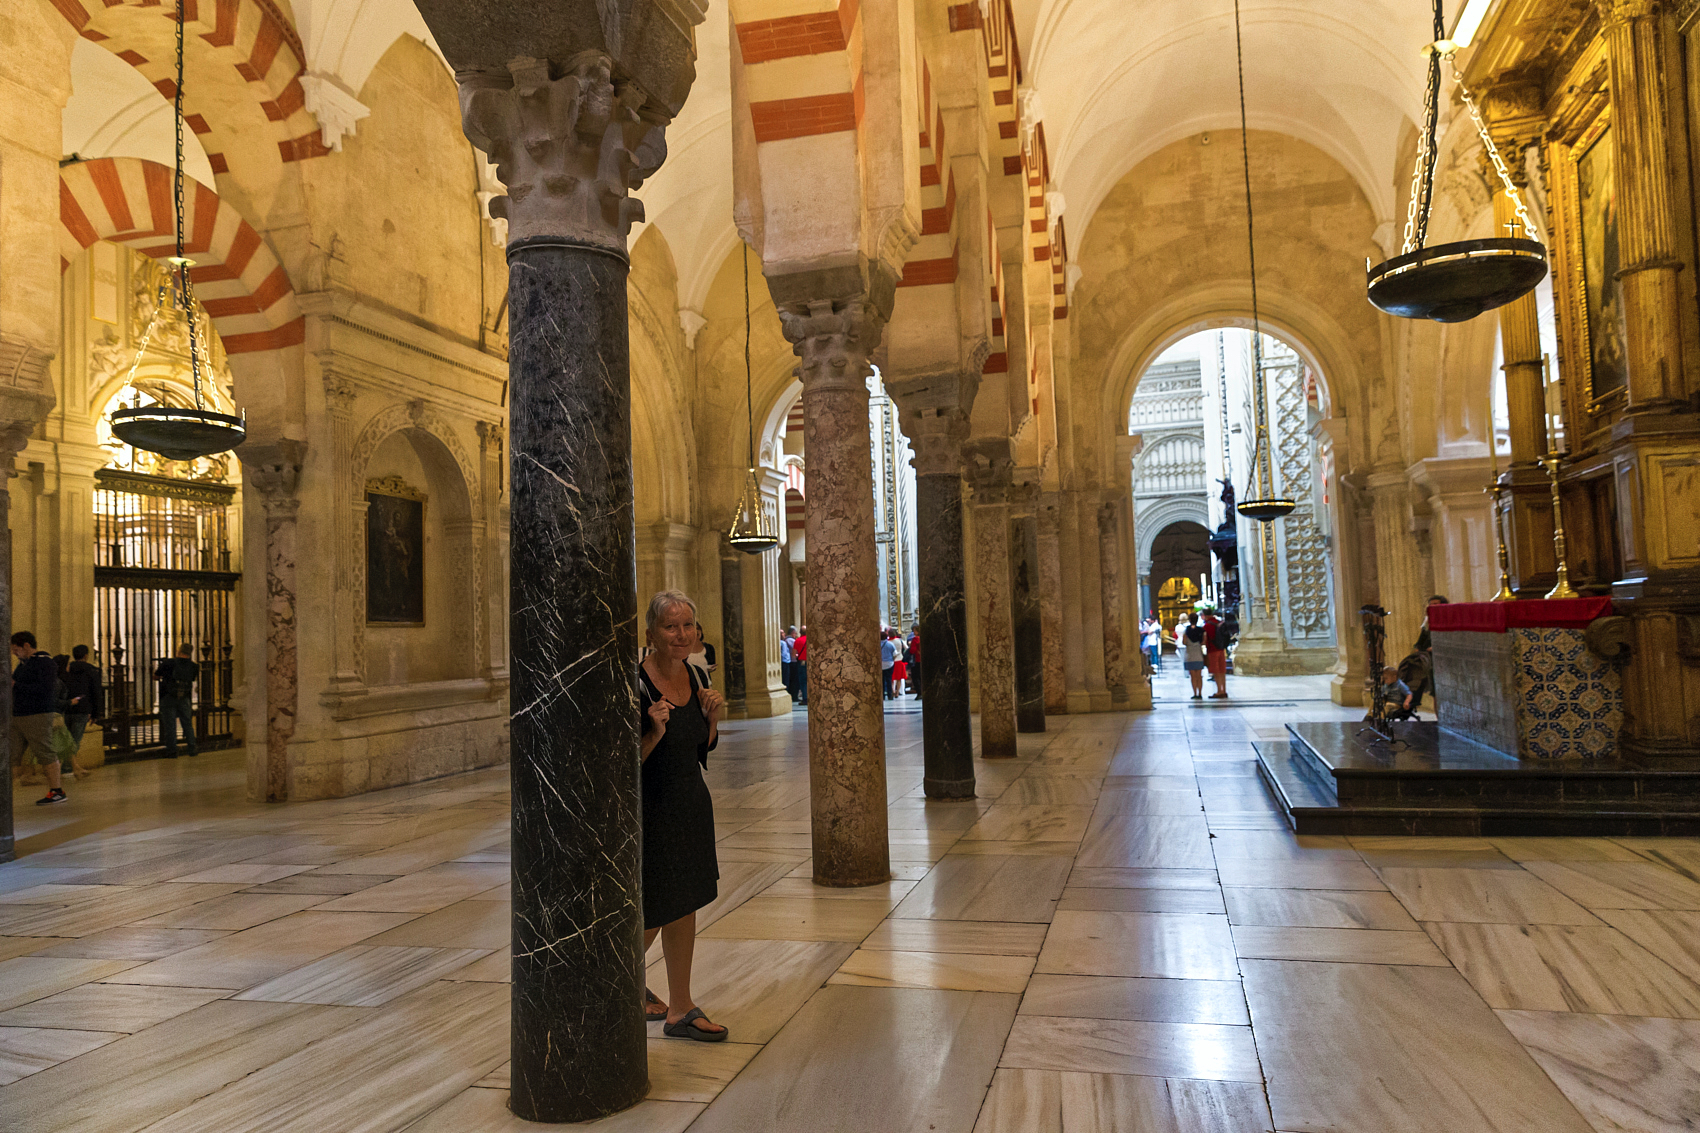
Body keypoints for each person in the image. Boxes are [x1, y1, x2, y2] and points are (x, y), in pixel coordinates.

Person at [637, 590, 728, 1041]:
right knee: (654, 907)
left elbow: (699, 749)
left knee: (684, 903)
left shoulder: (695, 674)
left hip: (691, 804)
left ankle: (681, 1006)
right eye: (670, 626)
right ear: (651, 632)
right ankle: (610, 982)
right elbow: (619, 765)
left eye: (688, 625)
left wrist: (711, 721)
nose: (681, 634)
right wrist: (653, 731)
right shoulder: (635, 681)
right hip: (652, 810)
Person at [11, 632, 66, 804]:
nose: (14, 653)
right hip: (19, 714)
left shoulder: (45, 662)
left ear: (26, 645)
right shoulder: (23, 665)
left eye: (16, 649)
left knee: (44, 751)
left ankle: (56, 791)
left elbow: (45, 688)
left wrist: (16, 685)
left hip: (37, 713)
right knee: (11, 753)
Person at [62, 647, 104, 780]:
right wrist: (96, 713)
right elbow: (96, 692)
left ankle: (66, 765)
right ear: (86, 655)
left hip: (67, 707)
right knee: (75, 739)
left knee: (67, 738)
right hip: (83, 709)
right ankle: (68, 767)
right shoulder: (91, 670)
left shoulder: (66, 669)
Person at [155, 643, 199, 758]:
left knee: (170, 725)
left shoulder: (169, 663)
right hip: (184, 696)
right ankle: (192, 748)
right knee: (187, 723)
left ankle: (172, 751)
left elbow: (155, 676)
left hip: (168, 696)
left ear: (179, 651)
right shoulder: (194, 666)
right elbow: (192, 679)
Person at [1203, 609, 1228, 699]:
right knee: (1222, 670)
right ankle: (1224, 690)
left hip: (1212, 650)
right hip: (1221, 649)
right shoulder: (1219, 622)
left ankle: (1219, 691)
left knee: (1216, 671)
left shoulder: (1207, 625)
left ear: (1204, 615)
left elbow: (1205, 639)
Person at [1182, 620, 1207, 700]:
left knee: (1193, 676)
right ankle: (1200, 693)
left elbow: (1184, 642)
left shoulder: (1187, 631)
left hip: (1190, 655)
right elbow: (1204, 642)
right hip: (1198, 654)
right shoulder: (1201, 630)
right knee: (1199, 676)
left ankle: (1195, 693)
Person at [880, 629, 898, 700]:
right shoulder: (890, 644)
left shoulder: (876, 645)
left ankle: (883, 695)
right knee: (889, 679)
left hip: (881, 664)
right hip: (889, 664)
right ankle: (890, 695)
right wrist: (892, 660)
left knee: (882, 680)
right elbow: (895, 654)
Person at [891, 631, 908, 697]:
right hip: (899, 659)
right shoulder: (900, 641)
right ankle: (897, 692)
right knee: (899, 678)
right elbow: (906, 648)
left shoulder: (889, 642)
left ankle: (893, 691)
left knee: (892, 678)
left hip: (892, 660)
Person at [780, 628, 795, 701]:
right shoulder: (781, 643)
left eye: (783, 633)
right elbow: (783, 654)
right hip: (784, 662)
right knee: (785, 679)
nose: (784, 634)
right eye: (782, 633)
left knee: (787, 679)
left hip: (786, 661)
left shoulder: (784, 642)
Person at [795, 625, 808, 705]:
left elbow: (793, 654)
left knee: (803, 681)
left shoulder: (798, 640)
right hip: (810, 662)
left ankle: (805, 698)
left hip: (802, 662)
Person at [907, 629, 921, 698]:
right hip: (922, 660)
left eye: (915, 631)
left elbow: (912, 650)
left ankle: (919, 692)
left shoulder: (915, 639)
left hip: (916, 660)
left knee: (915, 677)